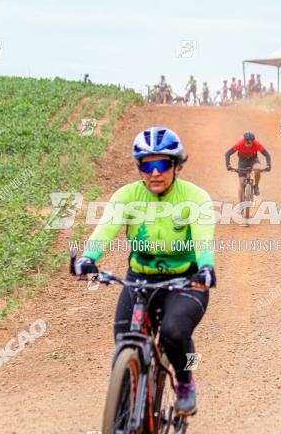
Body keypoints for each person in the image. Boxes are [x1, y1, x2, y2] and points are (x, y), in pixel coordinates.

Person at [73, 127, 216, 415]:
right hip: (140, 277)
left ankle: (186, 382)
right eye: (147, 165)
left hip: (186, 280)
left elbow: (203, 239)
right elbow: (105, 229)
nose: (154, 173)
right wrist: (88, 257)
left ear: (176, 166)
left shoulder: (195, 197)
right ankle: (121, 427)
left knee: (174, 333)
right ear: (139, 167)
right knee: (124, 343)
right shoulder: (127, 196)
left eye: (162, 164)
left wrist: (206, 268)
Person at [224, 131, 272, 199]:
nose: (248, 144)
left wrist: (269, 165)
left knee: (257, 168)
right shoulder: (240, 144)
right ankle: (241, 205)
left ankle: (256, 186)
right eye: (246, 141)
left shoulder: (257, 144)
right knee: (241, 184)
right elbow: (227, 153)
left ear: (253, 141)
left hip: (253, 159)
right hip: (242, 161)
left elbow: (267, 154)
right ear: (244, 141)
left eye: (250, 142)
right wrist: (228, 165)